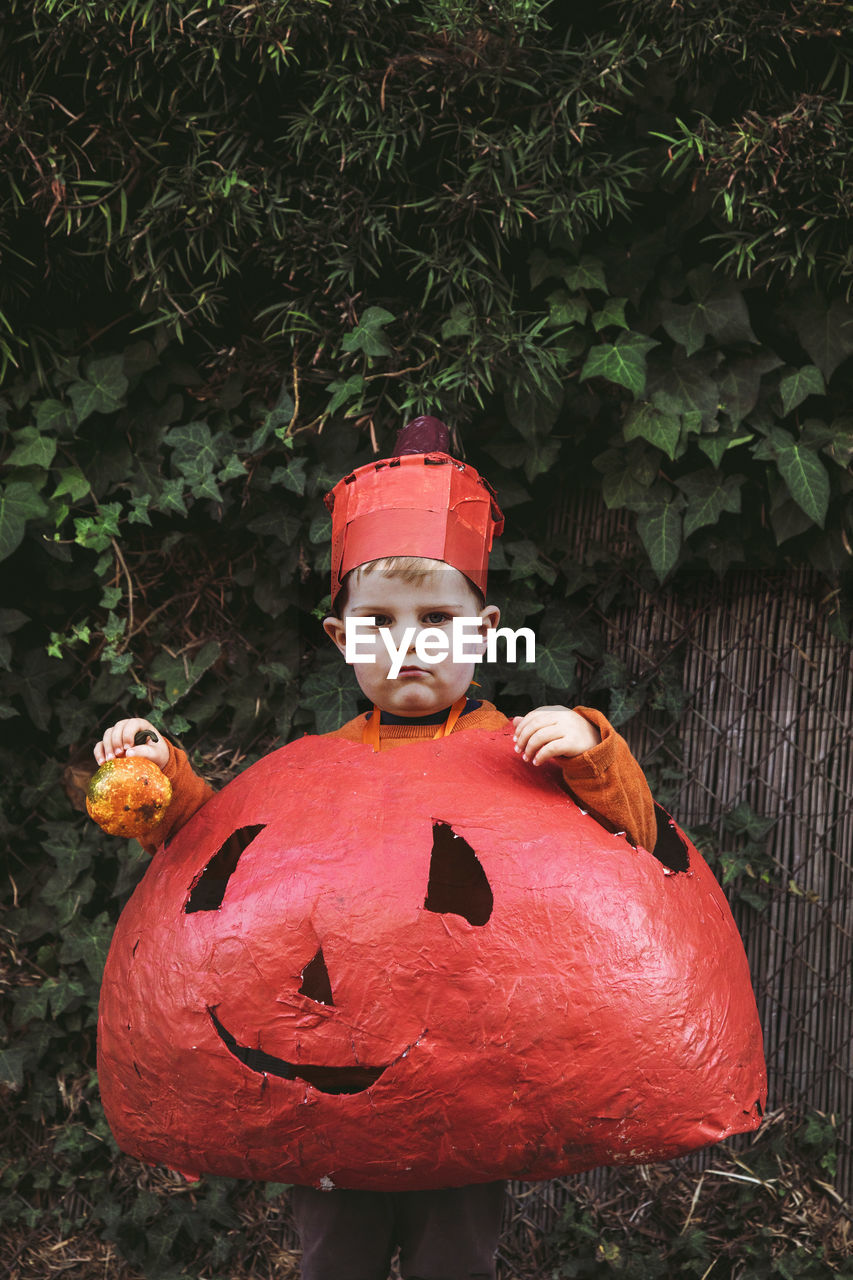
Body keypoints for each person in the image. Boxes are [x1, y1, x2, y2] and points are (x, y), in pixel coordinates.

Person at [92, 417, 657, 1280]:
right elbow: (221, 841)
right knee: (334, 1259)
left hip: (467, 1080)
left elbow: (634, 843)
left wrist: (591, 747)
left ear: (484, 629)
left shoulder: (526, 751)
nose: (410, 643)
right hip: (331, 1078)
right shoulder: (318, 768)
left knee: (454, 1262)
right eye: (379, 623)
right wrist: (156, 768)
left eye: (437, 617)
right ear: (341, 639)